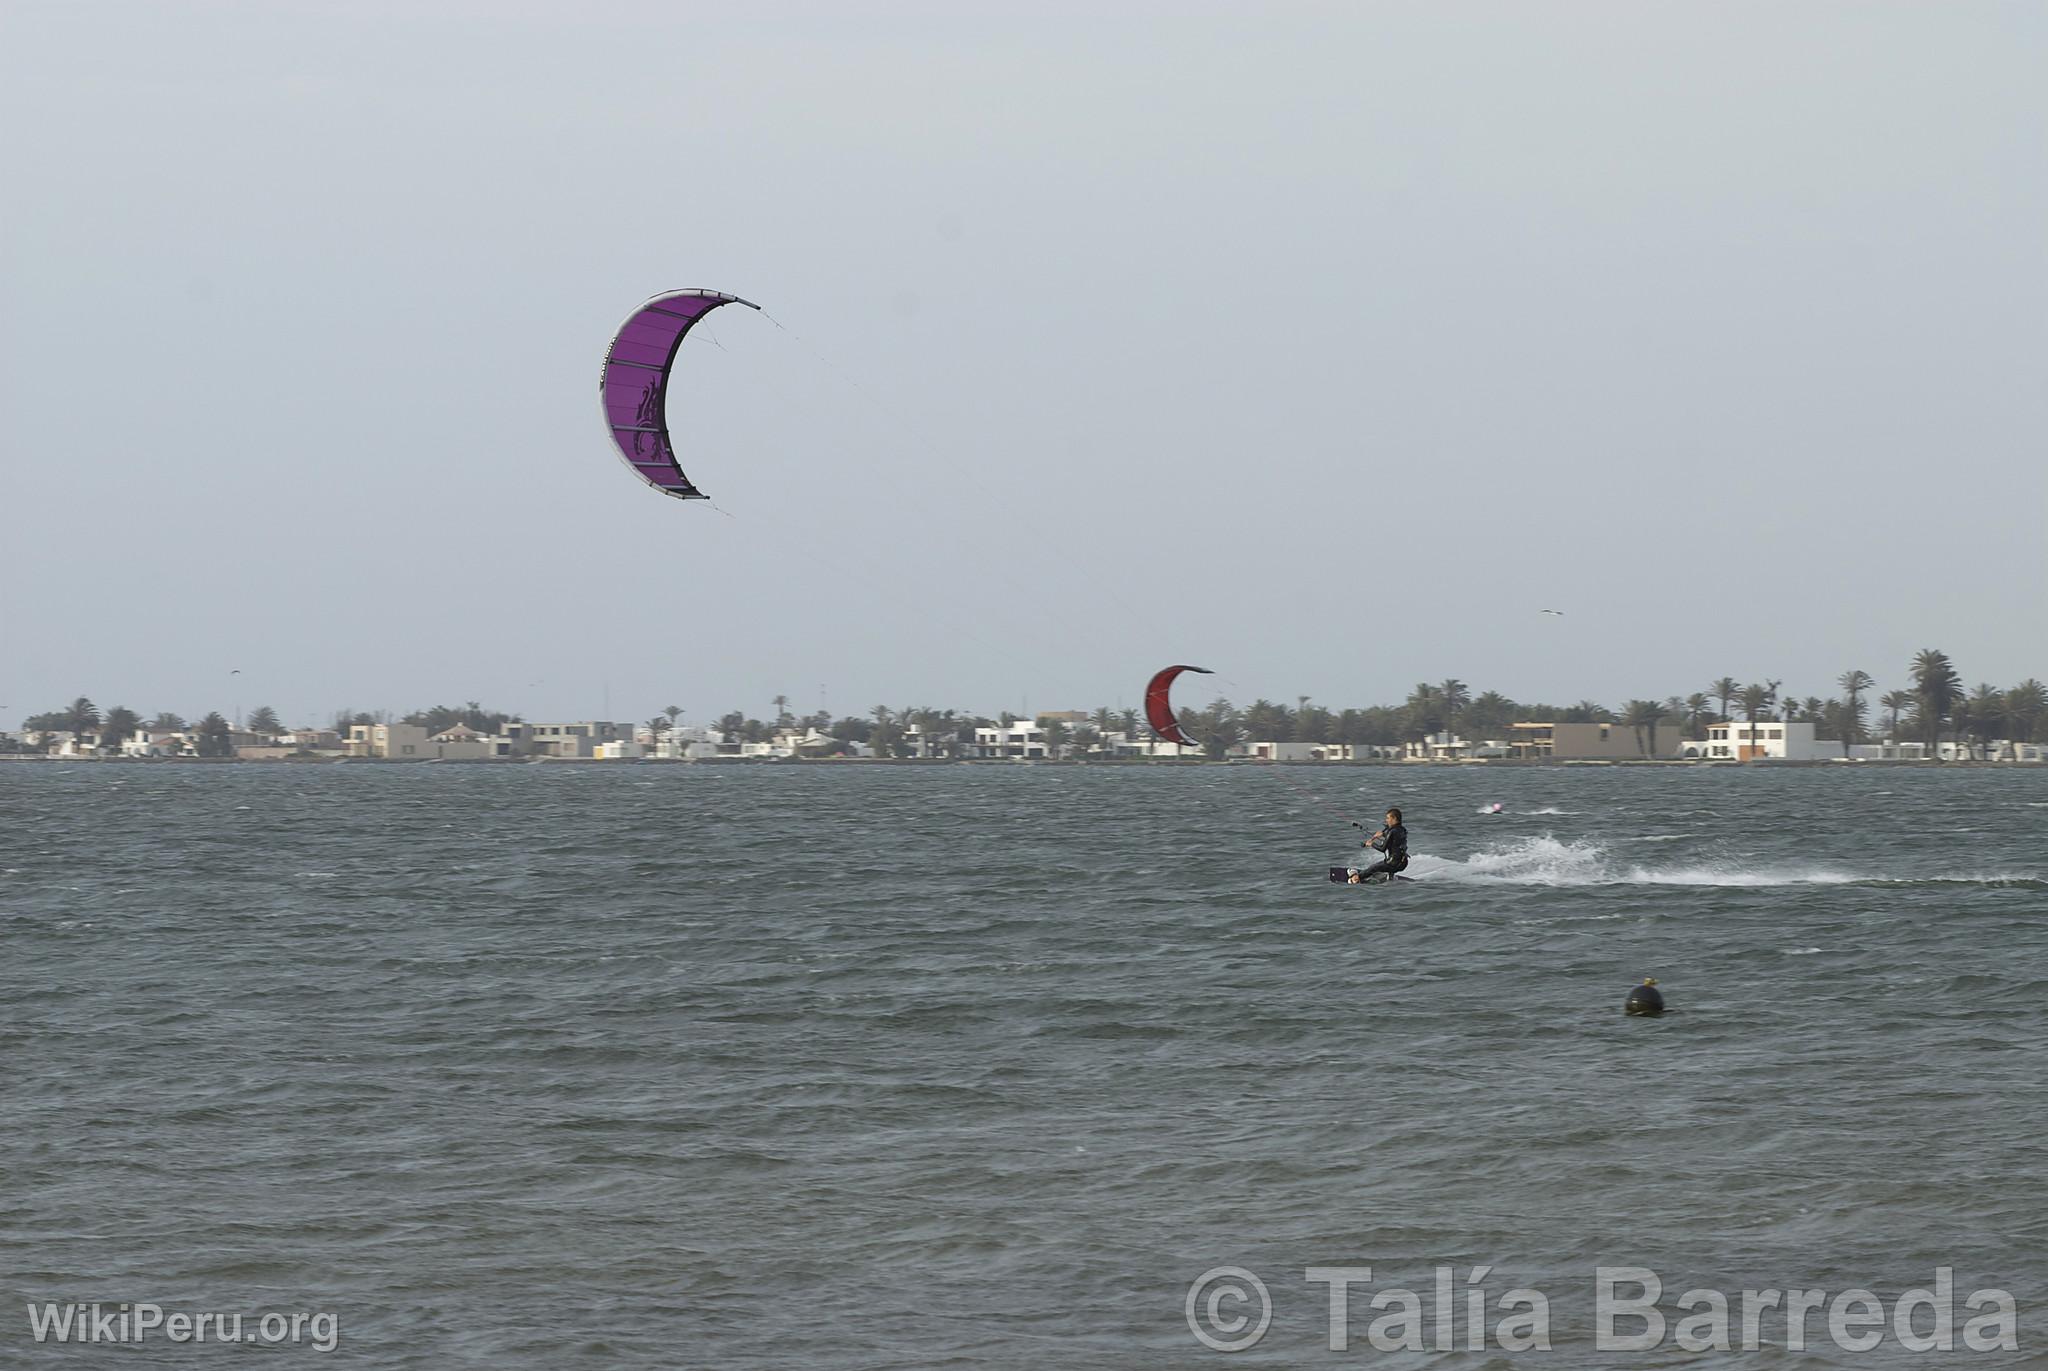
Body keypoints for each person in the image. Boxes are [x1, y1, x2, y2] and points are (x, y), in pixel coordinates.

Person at [1351, 807, 1409, 882]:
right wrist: (1383, 834)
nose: (1386, 820)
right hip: (1402, 864)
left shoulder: (1392, 832)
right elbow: (1395, 838)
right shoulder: (1402, 830)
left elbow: (1382, 849)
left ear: (1394, 818)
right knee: (1388, 862)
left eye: (1388, 818)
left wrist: (1371, 844)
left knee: (1374, 868)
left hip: (1393, 864)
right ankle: (1390, 876)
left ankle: (1356, 878)